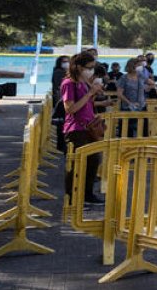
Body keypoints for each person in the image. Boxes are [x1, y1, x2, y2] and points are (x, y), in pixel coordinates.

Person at [62, 51, 104, 204]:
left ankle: (87, 194)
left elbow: (87, 104)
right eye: (89, 67)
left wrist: (93, 94)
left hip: (89, 127)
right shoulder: (69, 83)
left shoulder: (84, 83)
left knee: (93, 160)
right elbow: (70, 109)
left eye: (93, 67)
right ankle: (71, 199)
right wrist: (90, 93)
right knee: (75, 164)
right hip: (75, 130)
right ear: (79, 67)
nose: (91, 70)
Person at [50, 56, 71, 152]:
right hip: (61, 101)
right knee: (62, 124)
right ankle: (61, 145)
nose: (66, 63)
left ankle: (62, 145)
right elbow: (58, 88)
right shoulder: (59, 72)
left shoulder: (66, 73)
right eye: (64, 61)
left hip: (62, 101)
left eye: (68, 61)